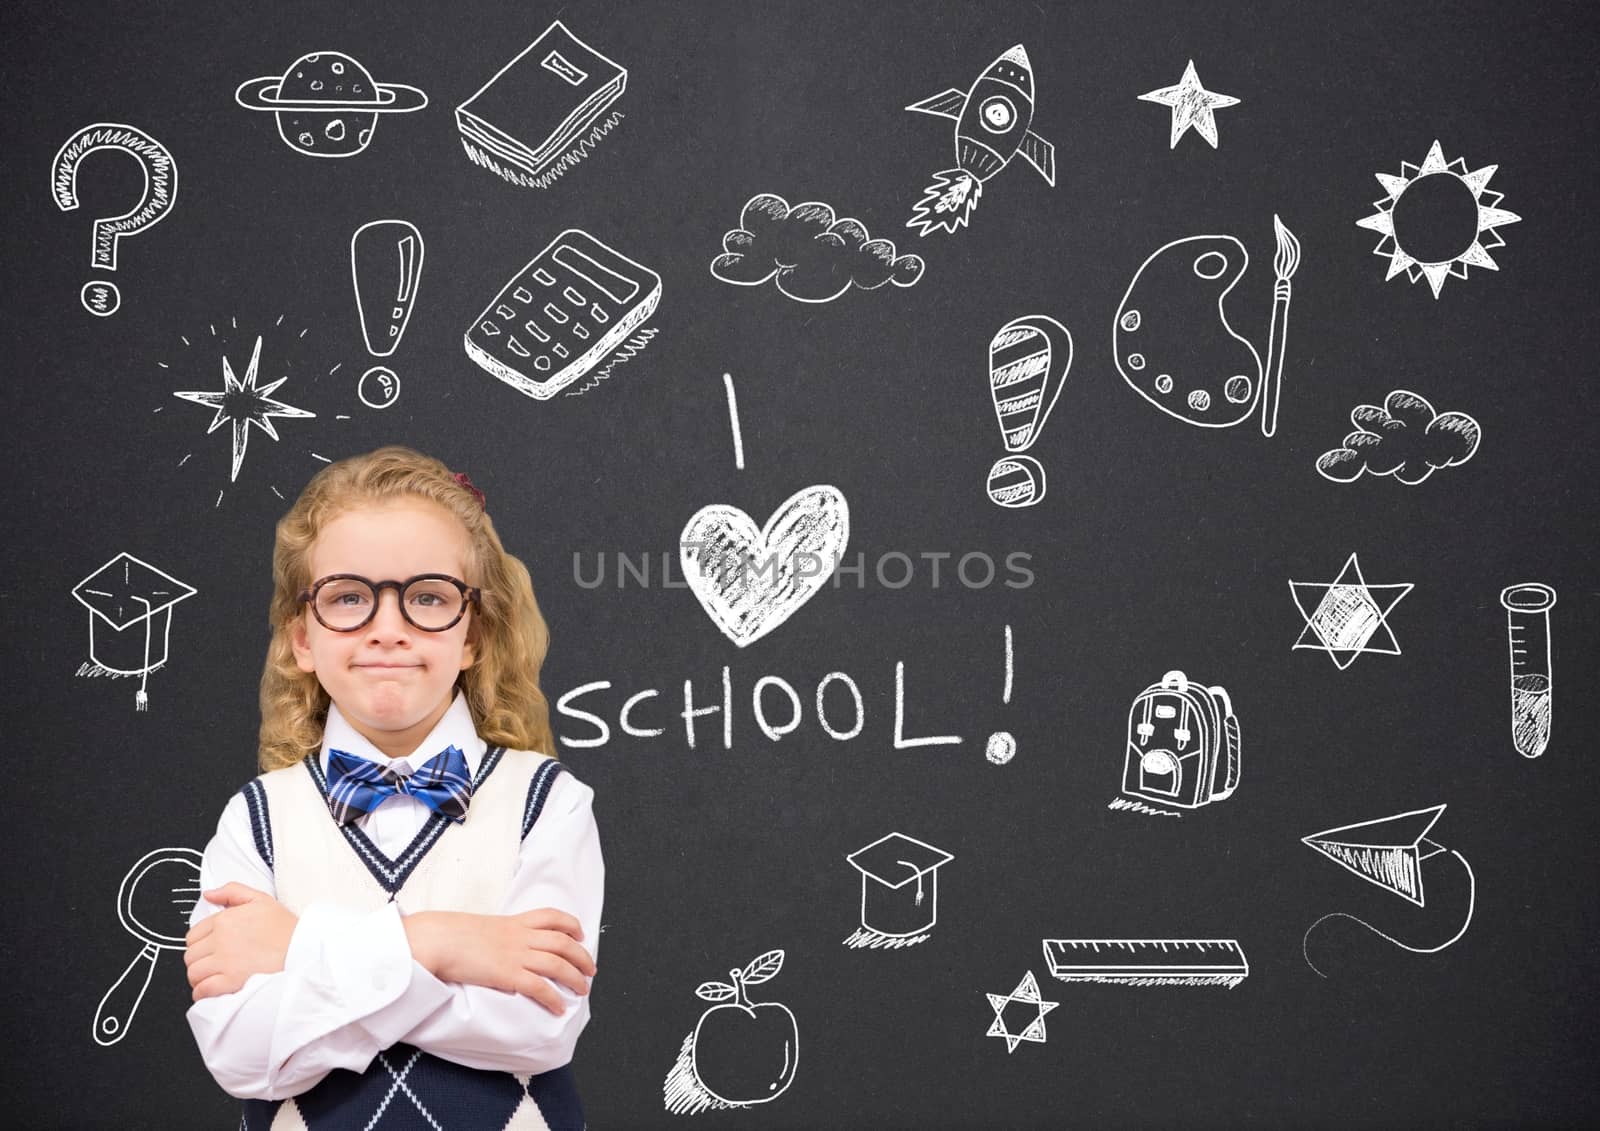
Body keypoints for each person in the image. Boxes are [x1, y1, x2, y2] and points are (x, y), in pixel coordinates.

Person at [184, 445, 602, 1130]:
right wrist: (439, 943)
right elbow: (242, 1052)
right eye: (348, 596)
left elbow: (537, 1021)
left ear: (473, 634)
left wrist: (301, 950)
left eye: (428, 597)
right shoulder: (256, 817)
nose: (387, 628)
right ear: (302, 638)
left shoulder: (547, 801)